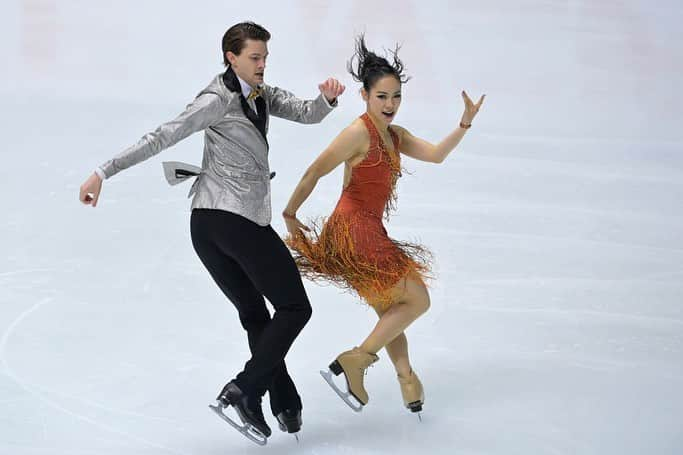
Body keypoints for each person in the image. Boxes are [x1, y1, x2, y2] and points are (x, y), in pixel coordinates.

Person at [78, 21, 345, 444]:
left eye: (265, 58)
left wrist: (327, 99)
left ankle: (283, 402)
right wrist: (102, 172)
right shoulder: (216, 98)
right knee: (295, 308)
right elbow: (163, 136)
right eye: (254, 58)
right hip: (232, 221)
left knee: (256, 315)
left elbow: (306, 112)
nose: (262, 65)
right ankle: (244, 389)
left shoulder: (259, 93)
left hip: (207, 227)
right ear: (231, 57)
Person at [282, 35, 484, 416]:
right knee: (418, 300)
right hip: (354, 230)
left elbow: (437, 155)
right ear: (364, 96)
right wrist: (290, 215)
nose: (390, 105)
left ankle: (407, 380)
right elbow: (314, 172)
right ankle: (355, 360)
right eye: (382, 97)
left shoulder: (396, 136)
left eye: (396, 97)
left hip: (364, 230)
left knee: (391, 310)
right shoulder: (358, 133)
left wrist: (464, 123)